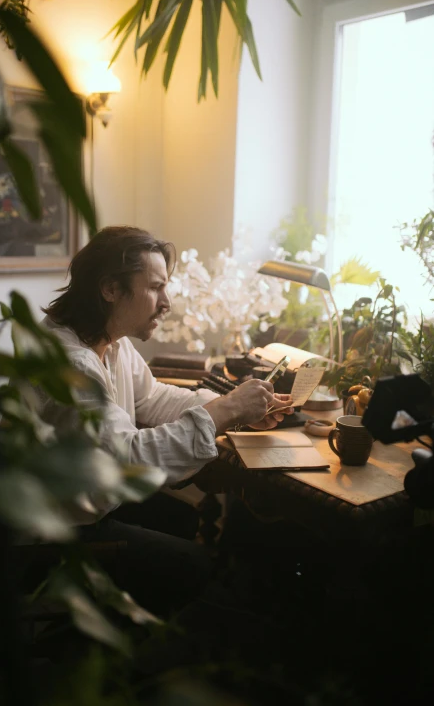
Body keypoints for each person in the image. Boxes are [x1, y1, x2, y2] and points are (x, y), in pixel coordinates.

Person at [35, 226, 293, 614]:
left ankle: (135, 622)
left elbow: (153, 397)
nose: (167, 302)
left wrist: (233, 407)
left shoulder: (108, 341)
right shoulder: (71, 363)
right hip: (56, 529)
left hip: (86, 502)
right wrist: (228, 410)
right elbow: (127, 458)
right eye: (156, 287)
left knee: (182, 518)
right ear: (110, 289)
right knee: (194, 564)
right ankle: (121, 651)